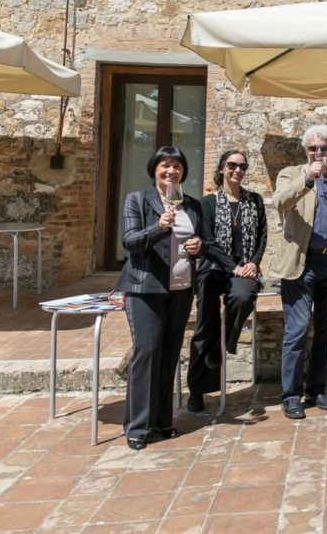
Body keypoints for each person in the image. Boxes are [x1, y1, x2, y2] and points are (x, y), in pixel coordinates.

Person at [116, 145, 205, 451]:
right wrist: (159, 226)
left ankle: (163, 419)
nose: (171, 171)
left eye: (177, 167)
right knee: (147, 352)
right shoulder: (137, 200)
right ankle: (138, 426)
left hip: (180, 289)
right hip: (144, 289)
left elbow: (201, 243)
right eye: (165, 166)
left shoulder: (191, 206)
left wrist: (198, 246)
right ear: (154, 169)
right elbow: (130, 242)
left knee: (169, 354)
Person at [269, 124, 327, 419]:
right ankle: (291, 394)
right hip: (301, 264)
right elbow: (279, 202)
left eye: (323, 148)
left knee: (326, 331)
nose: (318, 153)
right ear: (305, 151)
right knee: (295, 331)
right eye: (312, 148)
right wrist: (307, 178)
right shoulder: (291, 174)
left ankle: (316, 388)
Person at [186, 149, 266, 414]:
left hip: (246, 270)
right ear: (221, 168)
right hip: (214, 270)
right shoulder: (206, 203)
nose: (237, 170)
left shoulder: (254, 201)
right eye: (232, 165)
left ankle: (224, 344)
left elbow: (262, 236)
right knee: (203, 327)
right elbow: (207, 242)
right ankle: (197, 391)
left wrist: (253, 262)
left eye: (242, 166)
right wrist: (234, 267)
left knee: (243, 297)